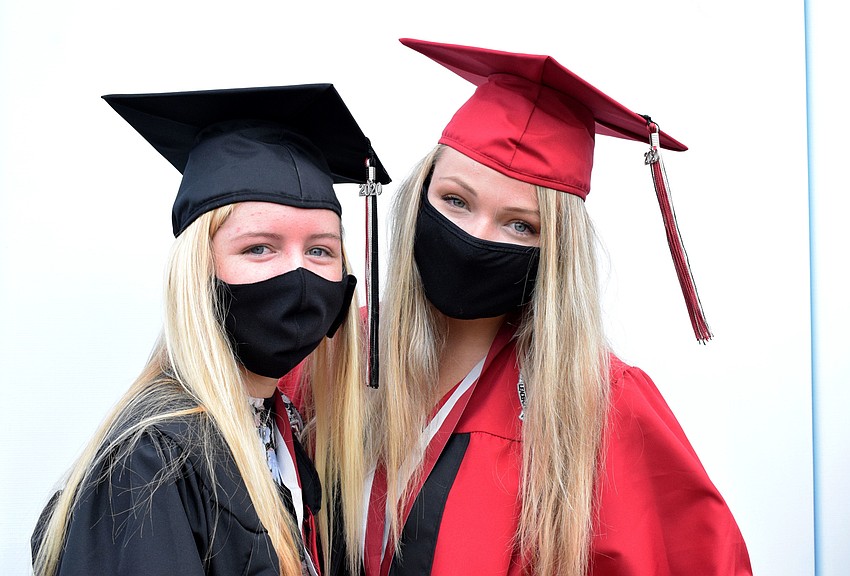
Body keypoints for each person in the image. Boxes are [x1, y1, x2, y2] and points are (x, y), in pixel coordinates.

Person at [358, 39, 752, 576]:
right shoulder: (340, 354)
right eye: (455, 200)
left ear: (556, 253)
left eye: (521, 224)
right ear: (419, 194)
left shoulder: (600, 406)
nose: (476, 237)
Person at [31, 84, 390, 576]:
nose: (300, 276)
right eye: (259, 248)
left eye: (320, 250)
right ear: (198, 277)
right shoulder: (149, 467)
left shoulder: (281, 429)